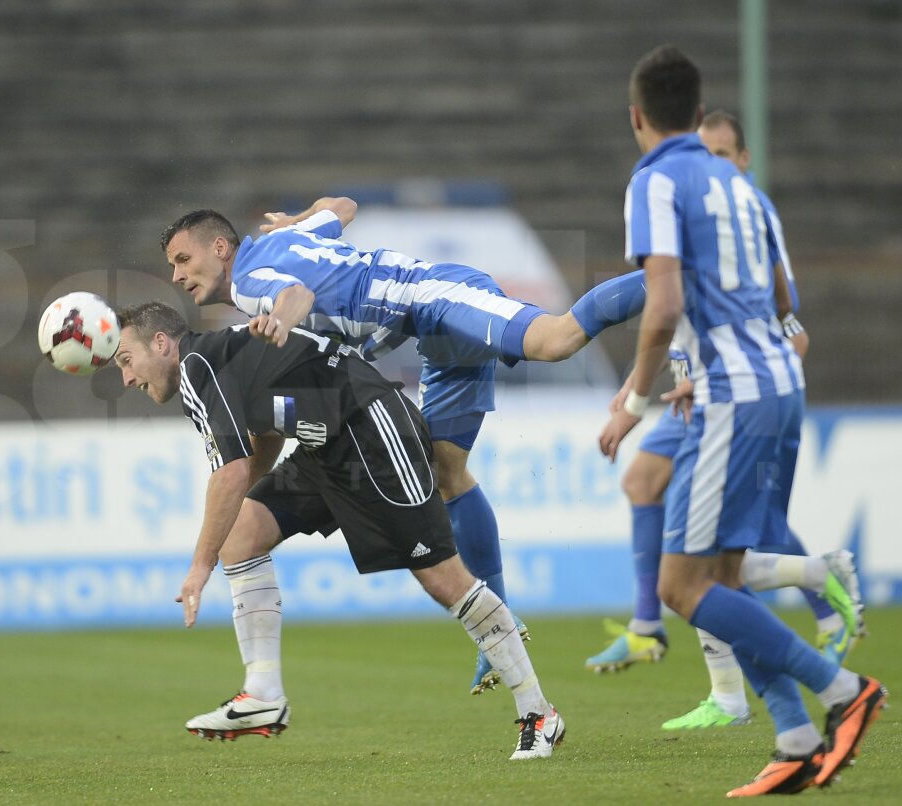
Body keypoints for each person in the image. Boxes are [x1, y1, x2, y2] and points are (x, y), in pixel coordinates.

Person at [160, 196, 647, 695]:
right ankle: (495, 637)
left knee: (557, 339)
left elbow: (297, 295)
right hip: (429, 325)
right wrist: (299, 219)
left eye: (183, 259)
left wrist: (282, 321)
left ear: (220, 247)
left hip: (437, 295)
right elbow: (344, 206)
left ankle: (680, 279)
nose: (177, 275)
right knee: (442, 474)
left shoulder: (248, 279)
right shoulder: (287, 238)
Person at [597, 45, 885, 796]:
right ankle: (793, 738)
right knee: (724, 575)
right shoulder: (741, 184)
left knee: (681, 586)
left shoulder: (655, 179)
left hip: (730, 391)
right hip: (781, 384)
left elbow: (661, 303)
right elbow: (785, 294)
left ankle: (841, 689)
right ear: (699, 117)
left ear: (637, 118)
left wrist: (633, 399)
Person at [112, 300, 565, 759]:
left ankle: (538, 712)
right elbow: (263, 437)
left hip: (372, 429)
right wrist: (234, 511)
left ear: (162, 343)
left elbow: (228, 472)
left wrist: (198, 567)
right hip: (326, 447)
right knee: (241, 534)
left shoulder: (196, 368)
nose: (127, 379)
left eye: (127, 361)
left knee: (443, 579)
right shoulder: (216, 357)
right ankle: (263, 693)